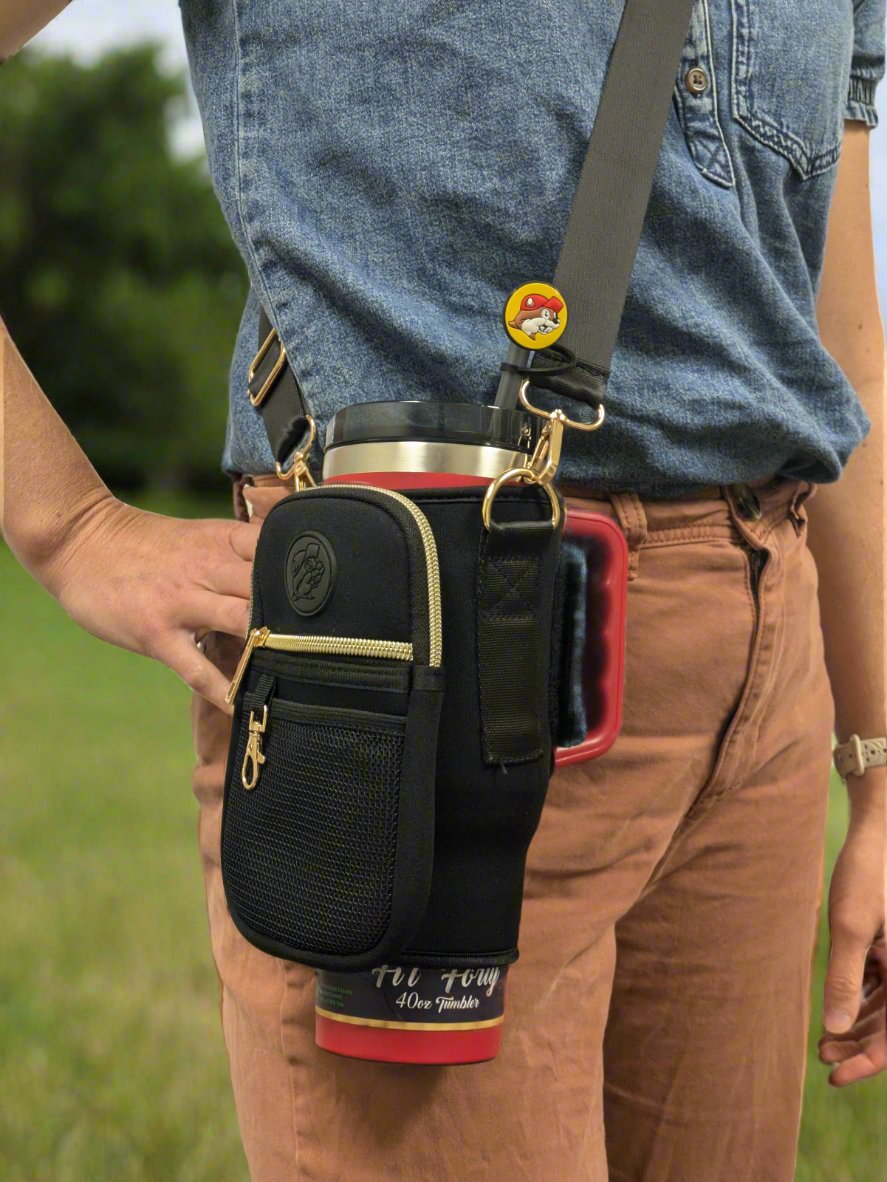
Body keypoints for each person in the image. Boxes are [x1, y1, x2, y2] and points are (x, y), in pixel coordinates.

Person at [2, 2, 885, 1179]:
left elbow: (826, 328)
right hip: (416, 651)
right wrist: (66, 524)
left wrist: (876, 761)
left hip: (758, 667)